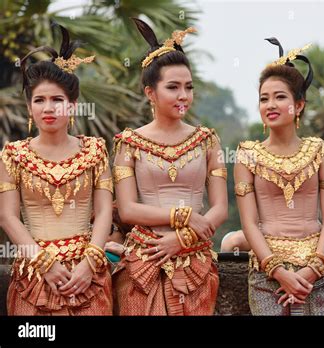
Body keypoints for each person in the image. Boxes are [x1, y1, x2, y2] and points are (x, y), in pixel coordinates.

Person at [112, 18, 228, 315]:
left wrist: (182, 238)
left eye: (188, 87)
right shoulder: (129, 142)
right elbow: (127, 210)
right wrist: (184, 215)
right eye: (173, 87)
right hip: (143, 257)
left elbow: (219, 209)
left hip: (194, 258)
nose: (183, 96)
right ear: (150, 92)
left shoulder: (206, 140)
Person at [0, 25, 113, 315]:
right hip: (34, 275)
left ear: (73, 106)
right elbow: (8, 216)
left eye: (57, 100)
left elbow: (103, 213)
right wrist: (43, 263)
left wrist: (90, 262)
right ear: (29, 108)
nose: (48, 108)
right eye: (39, 100)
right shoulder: (13, 155)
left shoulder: (95, 150)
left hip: (88, 275)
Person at [234, 37, 324, 315]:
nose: (270, 104)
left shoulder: (320, 151)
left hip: (317, 272)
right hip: (267, 273)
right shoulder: (247, 155)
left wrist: (314, 268)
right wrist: (277, 271)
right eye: (264, 98)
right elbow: (249, 223)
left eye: (280, 96)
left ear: (299, 104)